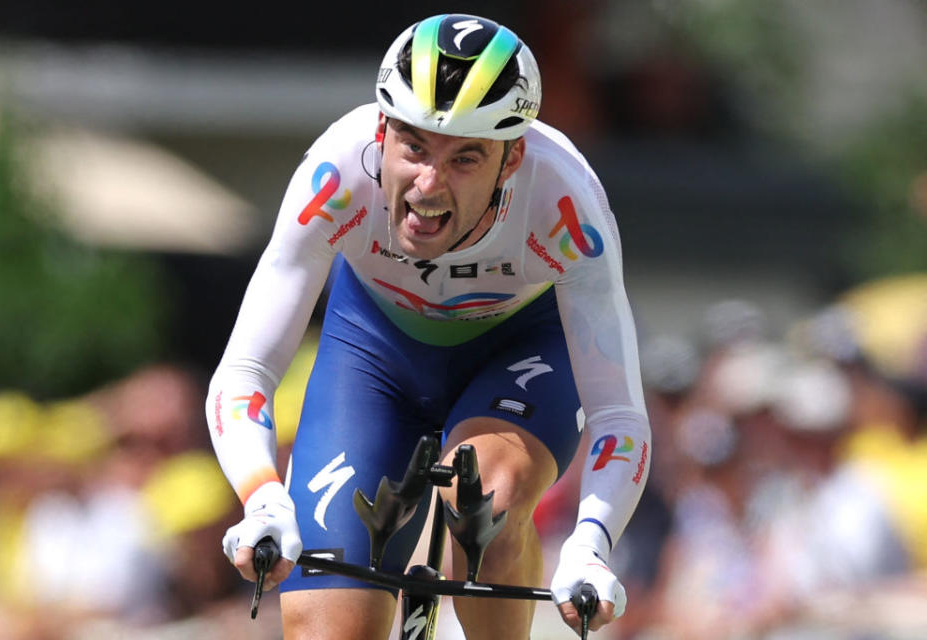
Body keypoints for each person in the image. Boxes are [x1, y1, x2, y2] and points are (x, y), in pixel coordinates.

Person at [206, 13, 651, 639]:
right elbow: (246, 369)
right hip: (373, 351)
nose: (429, 185)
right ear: (382, 131)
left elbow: (619, 414)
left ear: (512, 158)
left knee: (483, 501)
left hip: (517, 347)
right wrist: (261, 495)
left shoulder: (564, 201)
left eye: (466, 157)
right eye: (414, 146)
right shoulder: (336, 175)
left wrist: (590, 542)